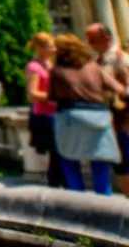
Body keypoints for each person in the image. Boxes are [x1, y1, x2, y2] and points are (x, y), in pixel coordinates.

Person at [50, 33, 124, 196]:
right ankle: (105, 201)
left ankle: (78, 203)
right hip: (100, 117)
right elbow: (118, 88)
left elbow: (52, 96)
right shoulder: (94, 67)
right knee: (99, 163)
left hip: (71, 118)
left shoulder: (58, 71)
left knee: (69, 160)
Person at [87, 24, 129, 196]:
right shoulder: (99, 61)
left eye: (92, 40)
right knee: (121, 165)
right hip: (110, 121)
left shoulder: (121, 59)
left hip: (124, 120)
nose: (89, 44)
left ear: (106, 39)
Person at [26, 32, 65, 188]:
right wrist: (53, 96)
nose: (54, 49)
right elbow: (32, 94)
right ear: (40, 48)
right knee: (57, 154)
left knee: (60, 154)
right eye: (51, 46)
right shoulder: (34, 67)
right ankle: (55, 185)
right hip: (45, 115)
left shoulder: (50, 64)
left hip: (56, 112)